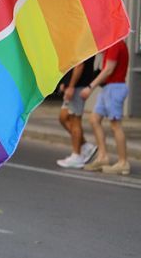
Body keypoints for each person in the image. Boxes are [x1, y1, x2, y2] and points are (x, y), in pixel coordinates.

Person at [81, 39, 131, 175]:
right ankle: (103, 157)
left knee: (115, 125)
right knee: (94, 119)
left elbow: (108, 69)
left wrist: (90, 87)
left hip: (114, 88)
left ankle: (123, 162)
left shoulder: (116, 44)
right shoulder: (112, 44)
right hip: (108, 88)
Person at [55, 57, 99, 169]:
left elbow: (79, 65)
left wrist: (71, 86)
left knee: (75, 120)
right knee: (63, 117)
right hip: (74, 85)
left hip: (78, 86)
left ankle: (76, 156)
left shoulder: (82, 41)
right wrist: (66, 82)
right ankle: (85, 145)